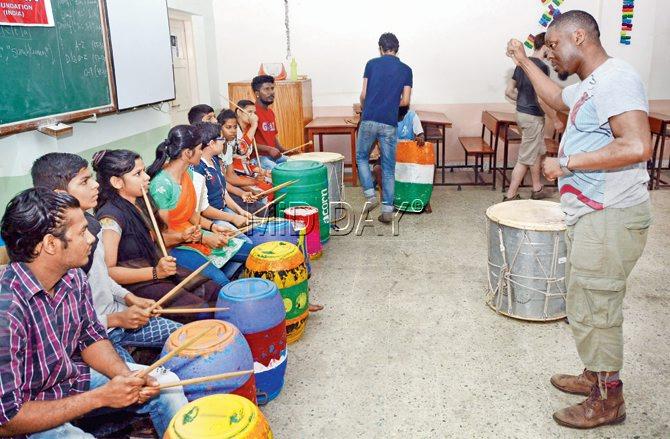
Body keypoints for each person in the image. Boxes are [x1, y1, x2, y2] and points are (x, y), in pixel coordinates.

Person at [506, 10, 652, 429]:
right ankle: (595, 374)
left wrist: (568, 162)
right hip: (594, 215)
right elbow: (555, 97)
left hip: (611, 215)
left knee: (596, 306)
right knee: (584, 298)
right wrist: (524, 61)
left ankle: (608, 400)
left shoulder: (616, 78)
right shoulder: (591, 86)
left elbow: (638, 144)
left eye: (553, 46)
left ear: (579, 36)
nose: (549, 54)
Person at [0, 188, 187, 438]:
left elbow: (91, 336)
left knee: (167, 385)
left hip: (70, 381)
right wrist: (99, 397)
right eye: (81, 232)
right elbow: (8, 419)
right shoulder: (7, 311)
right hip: (28, 413)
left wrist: (126, 377)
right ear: (50, 244)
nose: (90, 238)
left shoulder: (74, 277)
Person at [30, 153, 183, 361]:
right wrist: (115, 319)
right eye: (85, 181)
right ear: (59, 194)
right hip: (93, 337)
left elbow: (103, 277)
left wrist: (131, 298)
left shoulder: (92, 225)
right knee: (133, 385)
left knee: (183, 336)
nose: (95, 185)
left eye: (92, 178)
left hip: (117, 315)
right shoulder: (55, 250)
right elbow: (64, 325)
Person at [92, 149, 224, 322]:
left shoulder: (141, 201)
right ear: (117, 182)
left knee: (214, 290)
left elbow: (154, 240)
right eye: (138, 174)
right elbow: (108, 272)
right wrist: (155, 272)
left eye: (144, 171)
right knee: (200, 311)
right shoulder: (110, 218)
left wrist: (183, 236)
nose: (146, 177)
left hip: (158, 270)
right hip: (137, 283)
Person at [147, 125, 254, 288]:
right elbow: (162, 237)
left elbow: (192, 215)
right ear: (187, 153)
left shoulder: (187, 174)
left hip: (196, 235)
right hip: (175, 248)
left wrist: (212, 227)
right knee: (222, 283)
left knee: (254, 253)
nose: (201, 152)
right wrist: (203, 237)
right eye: (199, 148)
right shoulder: (161, 186)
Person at [356, 32, 413, 223]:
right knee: (389, 167)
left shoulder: (371, 64)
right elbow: (405, 101)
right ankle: (387, 211)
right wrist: (389, 104)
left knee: (362, 157)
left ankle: (370, 195)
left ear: (380, 49)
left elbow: (363, 94)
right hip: (389, 122)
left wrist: (367, 108)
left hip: (369, 118)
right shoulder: (406, 69)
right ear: (397, 49)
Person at [504, 32, 562, 201]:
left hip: (521, 114)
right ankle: (510, 196)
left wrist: (523, 101)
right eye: (551, 47)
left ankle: (537, 189)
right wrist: (556, 119)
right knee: (525, 158)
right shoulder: (541, 67)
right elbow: (541, 98)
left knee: (535, 152)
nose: (552, 54)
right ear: (545, 47)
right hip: (533, 118)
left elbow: (509, 92)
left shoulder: (521, 64)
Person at [191, 121, 257, 234]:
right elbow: (204, 210)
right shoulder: (198, 169)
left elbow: (224, 192)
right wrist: (233, 218)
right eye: (221, 139)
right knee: (243, 241)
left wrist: (240, 211)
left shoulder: (214, 160)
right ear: (212, 143)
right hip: (211, 218)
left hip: (223, 210)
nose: (224, 141)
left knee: (253, 228)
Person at [252, 75, 288, 169]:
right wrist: (269, 149)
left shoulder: (270, 112)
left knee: (293, 163)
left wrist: (283, 149)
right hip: (258, 158)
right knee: (280, 171)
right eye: (266, 89)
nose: (271, 92)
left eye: (272, 88)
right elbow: (246, 143)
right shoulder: (252, 113)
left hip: (272, 156)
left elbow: (272, 136)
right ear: (257, 93)